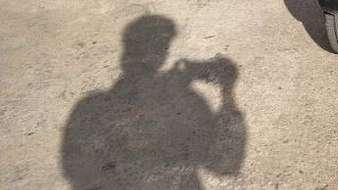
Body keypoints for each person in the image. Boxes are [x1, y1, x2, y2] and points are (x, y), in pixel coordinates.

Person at [61, 15, 246, 189]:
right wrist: (227, 91)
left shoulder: (91, 108)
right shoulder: (187, 106)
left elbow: (78, 171)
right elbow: (225, 164)